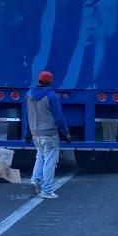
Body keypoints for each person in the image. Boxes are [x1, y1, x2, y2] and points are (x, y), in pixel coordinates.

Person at [25, 71, 71, 199]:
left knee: (40, 156)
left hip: (36, 134)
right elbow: (59, 116)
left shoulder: (29, 95)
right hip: (50, 134)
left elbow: (27, 115)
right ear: (50, 81)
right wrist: (66, 133)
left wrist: (27, 132)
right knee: (50, 162)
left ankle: (35, 180)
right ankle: (47, 190)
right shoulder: (51, 95)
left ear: (39, 80)